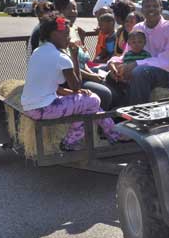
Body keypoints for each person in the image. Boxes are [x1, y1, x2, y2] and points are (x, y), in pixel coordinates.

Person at [21, 13, 120, 150]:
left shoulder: (38, 51)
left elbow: (53, 87)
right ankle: (71, 141)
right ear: (53, 34)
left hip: (30, 107)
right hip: (45, 109)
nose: (69, 38)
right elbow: (76, 86)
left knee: (89, 103)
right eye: (66, 34)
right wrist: (74, 56)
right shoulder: (62, 57)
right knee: (94, 100)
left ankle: (114, 134)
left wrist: (73, 93)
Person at [107, 0, 169, 105]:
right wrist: (113, 62)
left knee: (140, 72)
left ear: (161, 9)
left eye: (155, 6)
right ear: (142, 10)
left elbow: (167, 62)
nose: (151, 8)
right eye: (147, 6)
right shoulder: (138, 28)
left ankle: (136, 114)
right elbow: (127, 53)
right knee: (108, 72)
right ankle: (114, 113)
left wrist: (136, 64)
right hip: (145, 69)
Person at [53, 0, 114, 110]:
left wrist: (92, 74)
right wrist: (92, 77)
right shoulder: (59, 34)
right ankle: (96, 125)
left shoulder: (75, 29)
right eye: (68, 9)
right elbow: (68, 68)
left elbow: (83, 60)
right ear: (59, 11)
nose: (73, 12)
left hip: (84, 73)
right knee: (105, 93)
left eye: (75, 8)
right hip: (70, 80)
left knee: (112, 74)